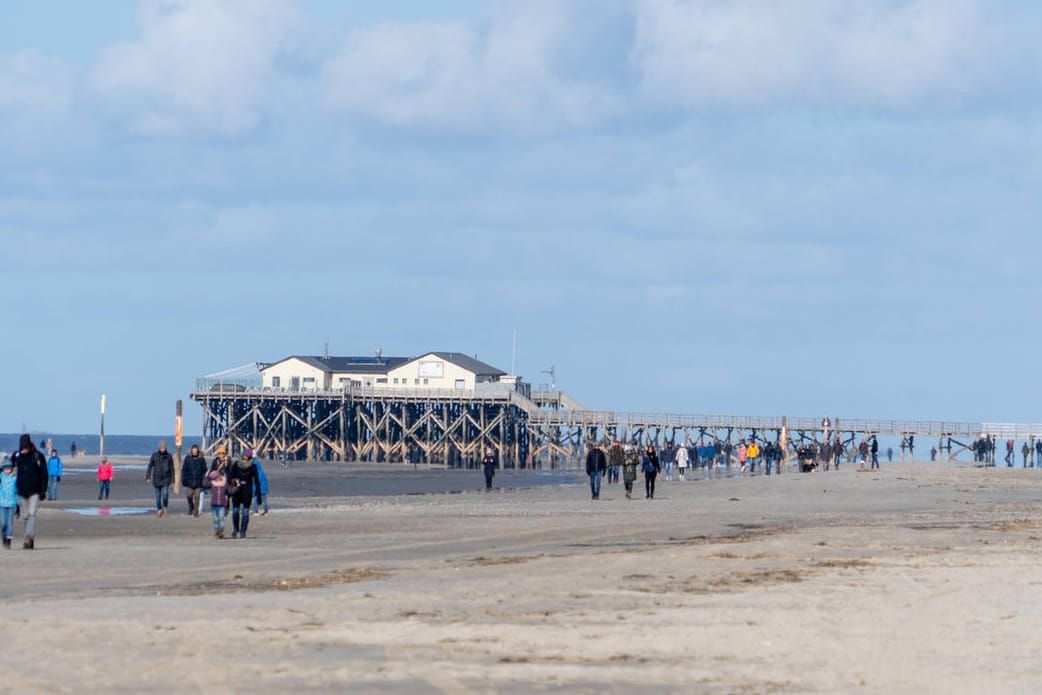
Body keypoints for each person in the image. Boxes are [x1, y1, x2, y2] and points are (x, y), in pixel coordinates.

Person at [13, 434, 48, 549]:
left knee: (32, 514)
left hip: (35, 491)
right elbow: (7, 468)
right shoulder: (17, 456)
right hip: (21, 491)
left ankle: (28, 536)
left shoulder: (38, 456)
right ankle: (29, 538)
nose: (24, 449)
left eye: (26, 446)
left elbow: (44, 474)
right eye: (23, 447)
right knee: (25, 516)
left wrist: (43, 490)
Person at [228, 452, 262, 539]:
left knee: (245, 513)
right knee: (235, 512)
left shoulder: (253, 466)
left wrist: (258, 495)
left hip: (247, 491)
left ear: (249, 457)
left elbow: (256, 481)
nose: (245, 457)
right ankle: (235, 529)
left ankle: (243, 531)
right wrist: (231, 484)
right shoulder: (236, 464)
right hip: (237, 491)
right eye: (243, 455)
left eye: (246, 456)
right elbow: (230, 476)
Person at [203, 450, 230, 539]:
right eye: (220, 453)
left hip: (224, 483)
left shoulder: (228, 461)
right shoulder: (215, 461)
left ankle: (221, 531)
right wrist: (208, 477)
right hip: (215, 482)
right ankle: (217, 530)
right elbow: (211, 472)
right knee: (215, 518)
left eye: (223, 453)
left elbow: (230, 471)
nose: (221, 455)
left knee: (221, 517)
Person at [145, 441, 174, 517]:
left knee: (165, 494)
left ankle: (165, 508)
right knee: (158, 496)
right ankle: (159, 509)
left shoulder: (169, 456)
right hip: (157, 479)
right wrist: (148, 477)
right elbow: (150, 466)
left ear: (165, 448)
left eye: (163, 447)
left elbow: (172, 469)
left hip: (166, 479)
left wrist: (173, 480)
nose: (162, 449)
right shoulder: (154, 456)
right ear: (159, 447)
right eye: (161, 447)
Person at [181, 444, 208, 517]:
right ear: (191, 451)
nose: (194, 452)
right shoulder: (187, 458)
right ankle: (191, 507)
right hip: (189, 481)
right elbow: (184, 469)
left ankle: (196, 512)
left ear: (198, 451)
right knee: (189, 496)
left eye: (196, 451)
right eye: (193, 450)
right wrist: (183, 479)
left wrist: (204, 478)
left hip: (198, 482)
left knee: (197, 497)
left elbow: (205, 470)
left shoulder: (201, 459)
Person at [1, 457, 17, 549]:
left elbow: (17, 491)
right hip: (2, 504)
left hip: (12, 503)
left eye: (9, 468)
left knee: (10, 524)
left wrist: (18, 504)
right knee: (3, 523)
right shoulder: (1, 477)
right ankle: (3, 537)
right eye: (6, 468)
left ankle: (8, 541)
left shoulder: (15, 478)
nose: (7, 470)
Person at [251, 451, 269, 516]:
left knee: (258, 499)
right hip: (263, 487)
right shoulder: (260, 469)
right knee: (262, 500)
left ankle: (258, 511)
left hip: (261, 488)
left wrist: (253, 490)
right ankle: (263, 511)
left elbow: (257, 482)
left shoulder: (257, 472)